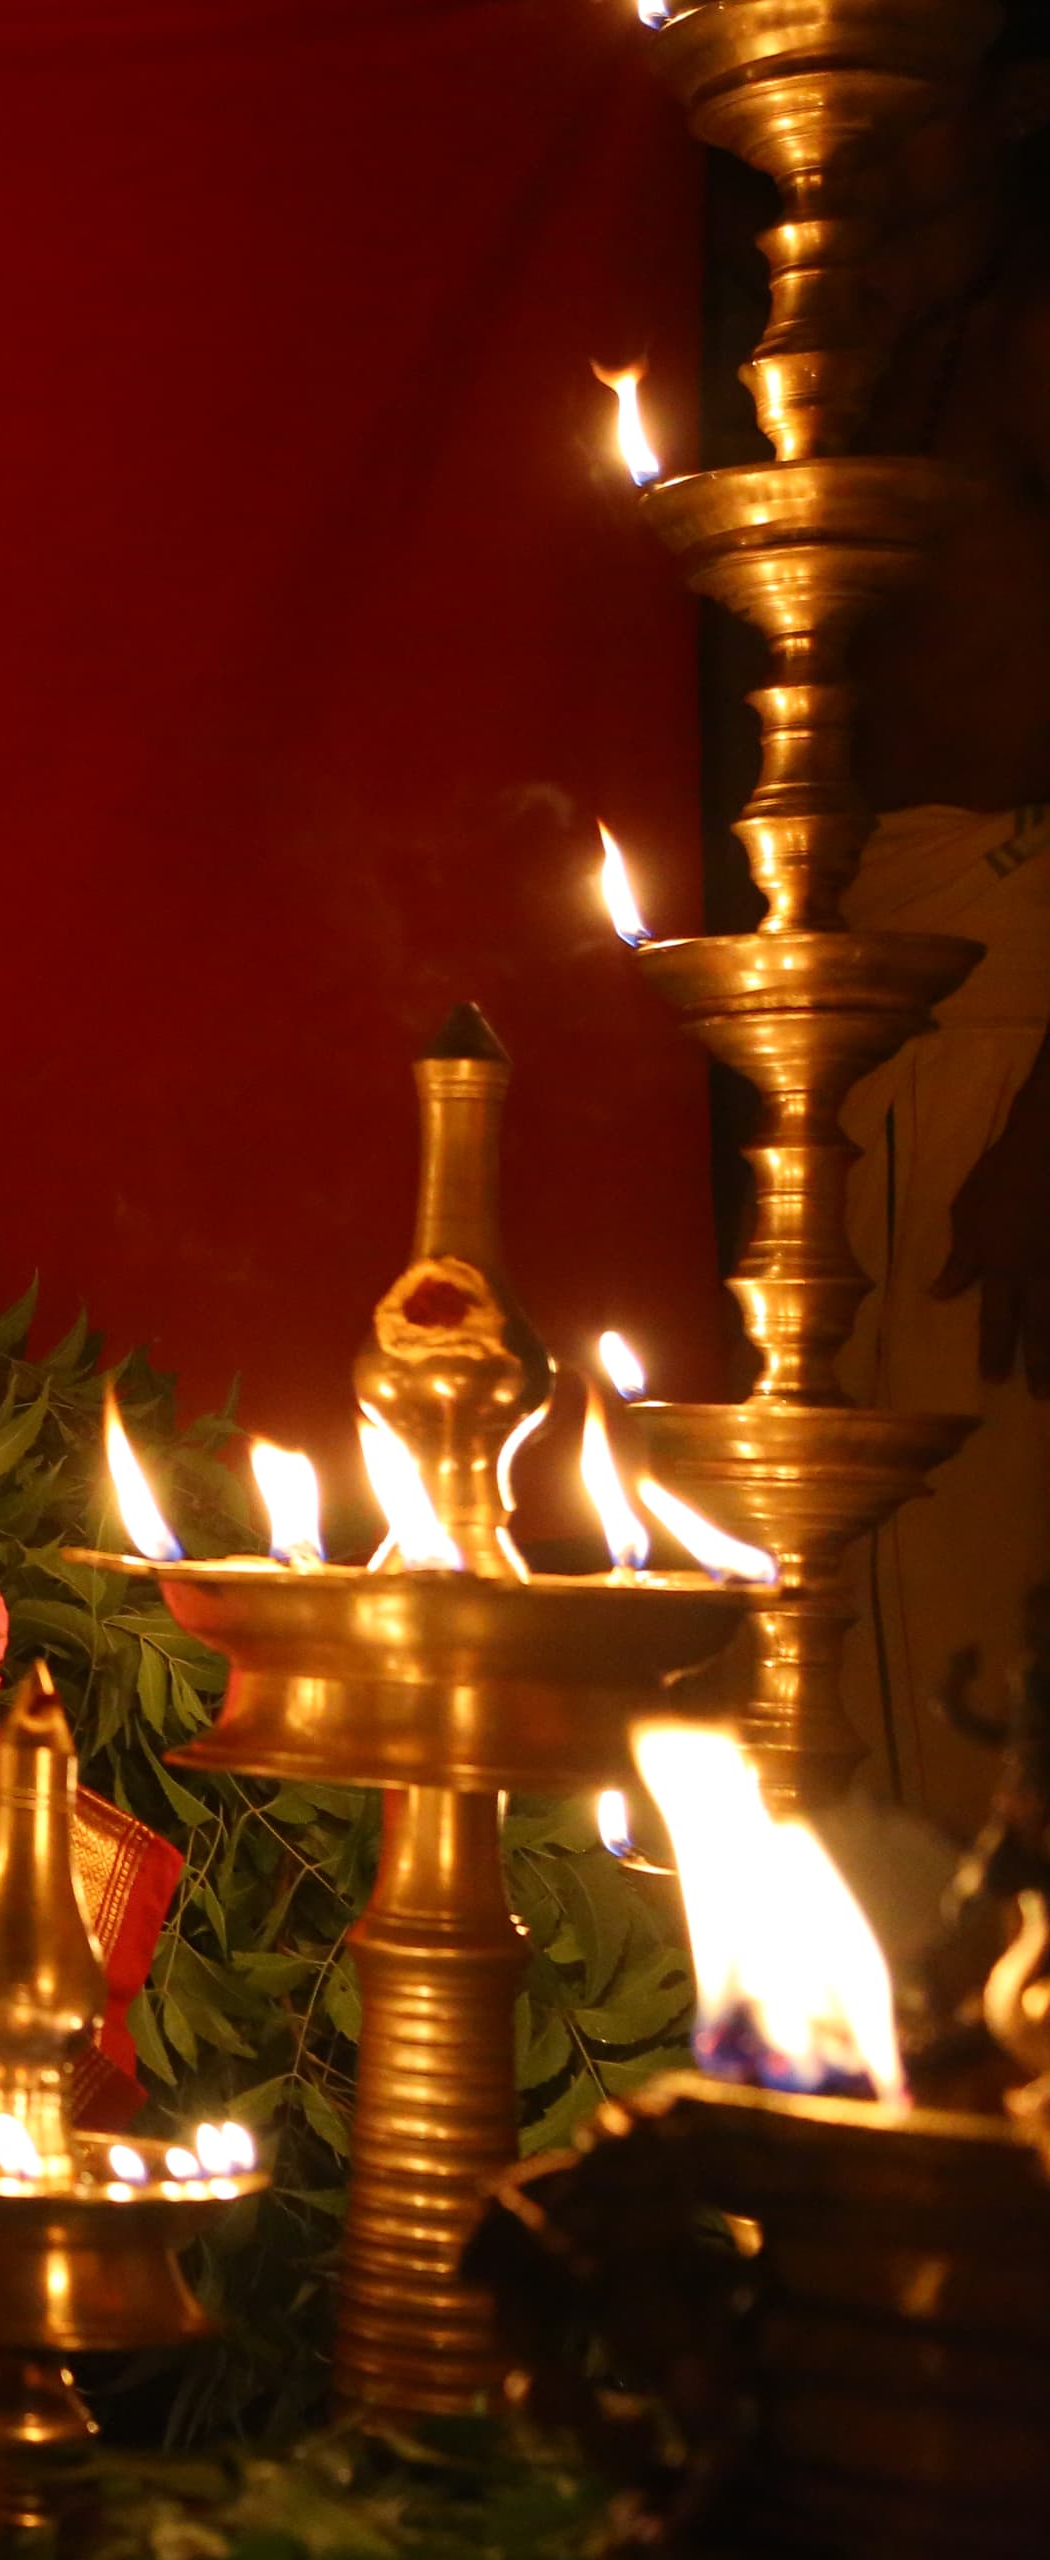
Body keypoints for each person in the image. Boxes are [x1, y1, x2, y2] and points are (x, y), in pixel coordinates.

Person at [843, 39, 1050, 1833]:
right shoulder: (868, 319)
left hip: (1005, 1010)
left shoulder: (1032, 339)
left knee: (972, 1549)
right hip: (870, 985)